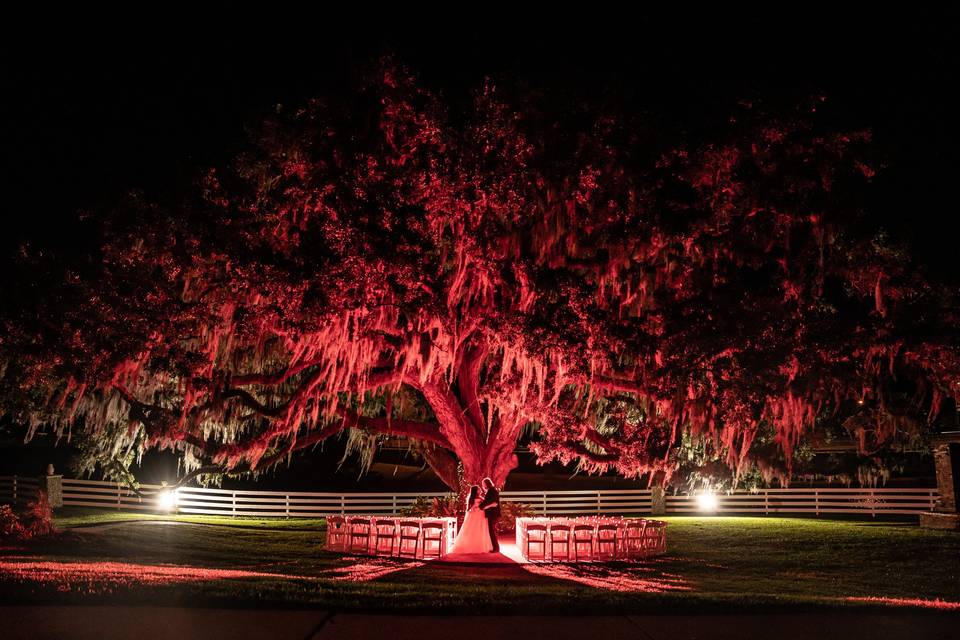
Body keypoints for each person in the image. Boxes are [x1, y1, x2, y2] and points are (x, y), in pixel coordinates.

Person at [450, 485, 493, 554]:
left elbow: (483, 504)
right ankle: (472, 546)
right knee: (473, 529)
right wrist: (475, 507)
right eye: (478, 489)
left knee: (480, 529)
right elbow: (471, 507)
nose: (480, 489)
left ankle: (479, 545)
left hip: (481, 514)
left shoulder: (480, 497)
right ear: (476, 490)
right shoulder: (472, 498)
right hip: (475, 514)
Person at [478, 477, 501, 552]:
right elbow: (488, 501)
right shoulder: (490, 490)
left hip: (493, 514)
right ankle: (495, 547)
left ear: (486, 483)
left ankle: (496, 548)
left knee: (492, 531)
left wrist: (483, 507)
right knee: (492, 530)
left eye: (483, 484)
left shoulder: (492, 490)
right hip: (492, 514)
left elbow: (493, 503)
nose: (482, 485)